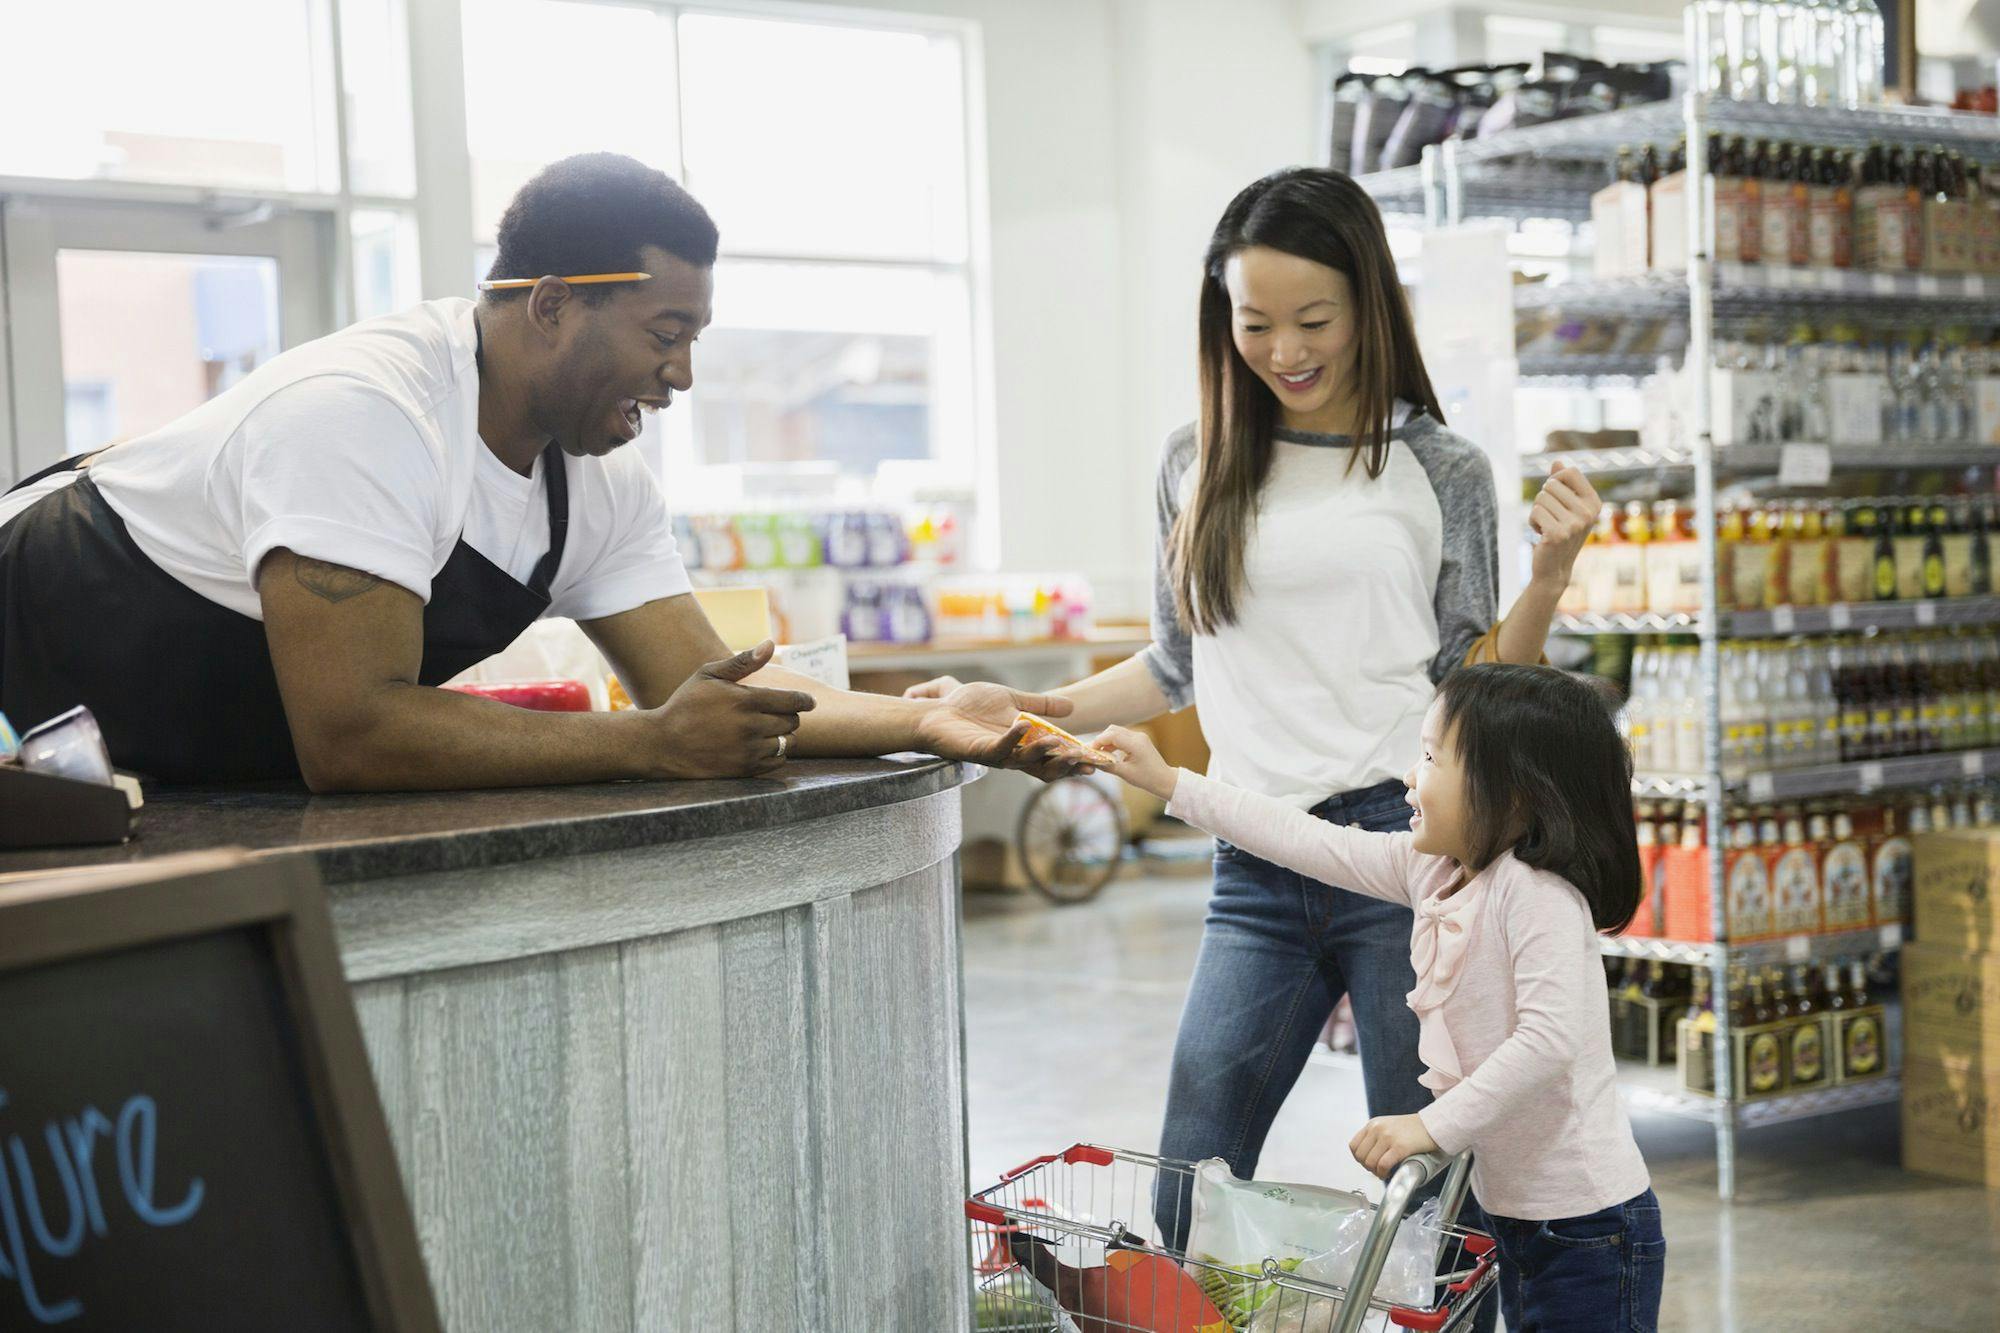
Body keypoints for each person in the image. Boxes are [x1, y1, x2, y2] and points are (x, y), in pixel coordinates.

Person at [903, 167, 1600, 1248]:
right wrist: (1028, 704)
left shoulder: (1436, 465)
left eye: (1312, 319)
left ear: (1369, 305)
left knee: (1427, 1200)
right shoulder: (1195, 460)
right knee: (1189, 1171)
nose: (1283, 350)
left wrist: (1548, 576)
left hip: (1402, 856)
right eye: (1254, 322)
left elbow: (1475, 679)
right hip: (1252, 857)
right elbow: (1174, 666)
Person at [0, 153, 1089, 790]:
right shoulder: (363, 417)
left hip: (144, 760)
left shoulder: (594, 476)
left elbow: (711, 687)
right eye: (666, 330)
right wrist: (647, 746)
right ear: (555, 302)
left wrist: (928, 718)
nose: (683, 375)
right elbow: (350, 730)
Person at [1095, 663, 1664, 1333]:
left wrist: (1431, 1124)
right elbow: (1306, 839)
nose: (1408, 775)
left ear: (1512, 793)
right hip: (1522, 1217)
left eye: (1430, 757)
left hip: (1589, 1228)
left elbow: (1549, 1040)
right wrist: (1170, 782)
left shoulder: (1537, 896)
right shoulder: (1432, 869)